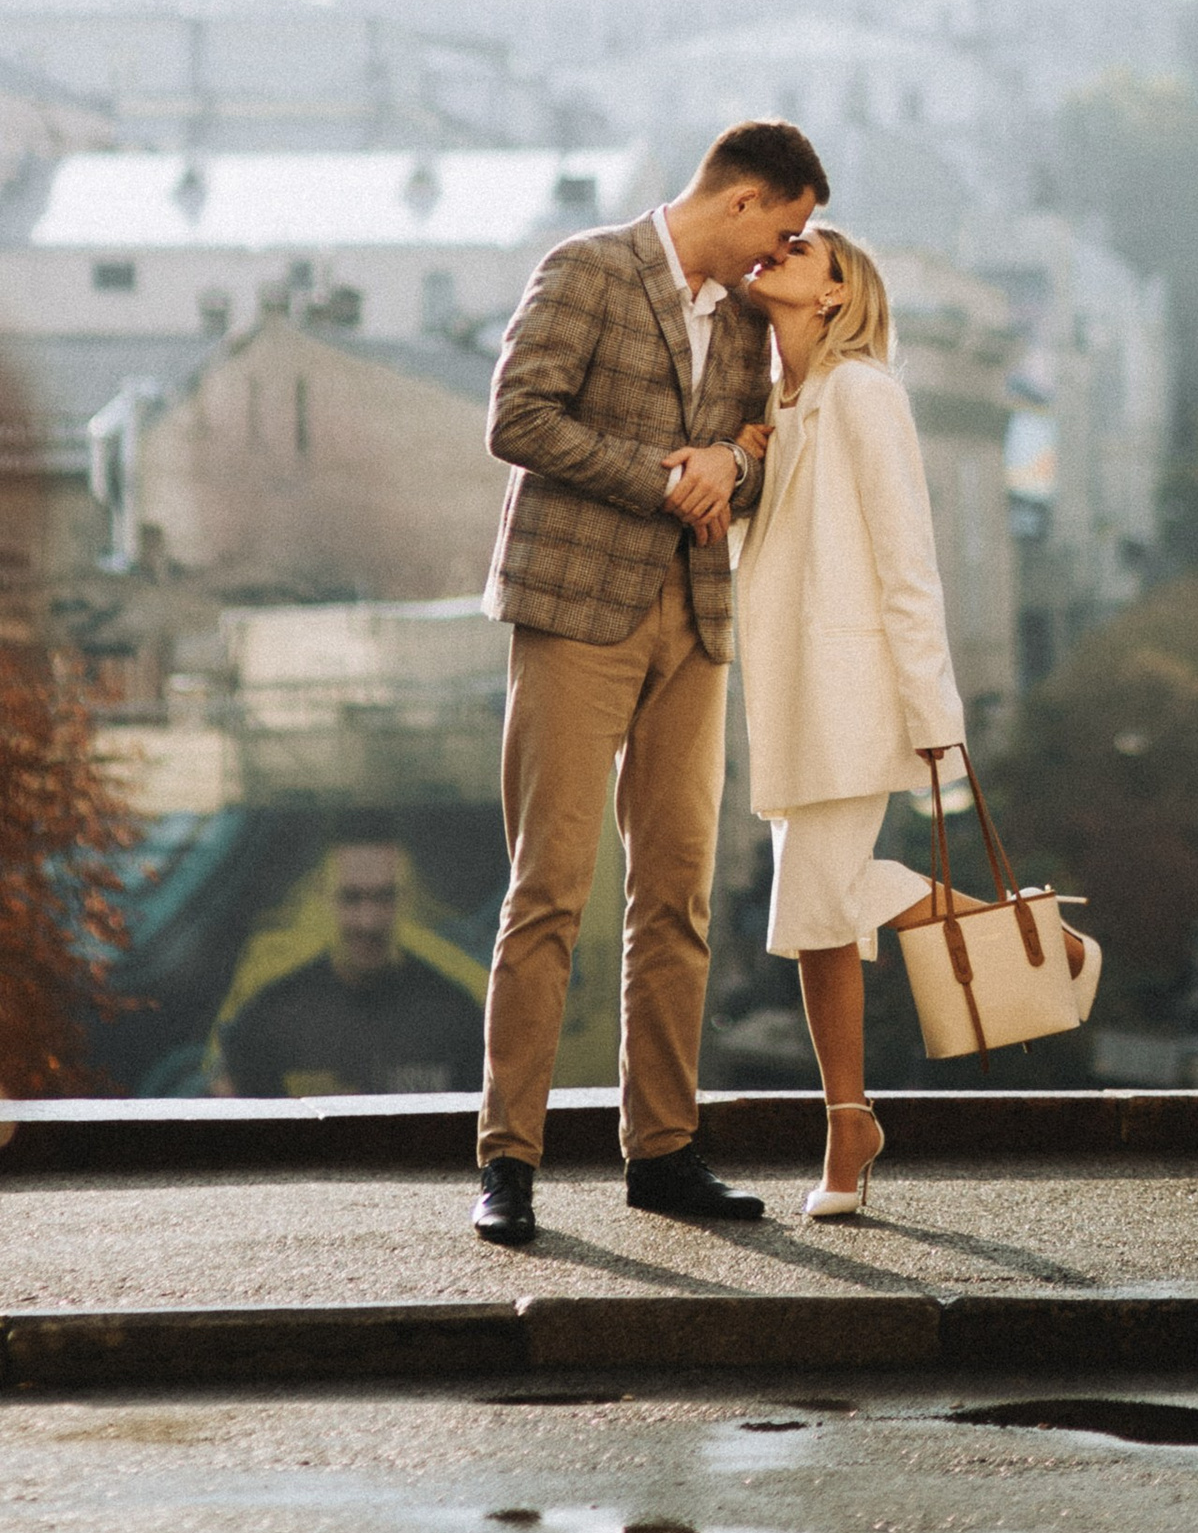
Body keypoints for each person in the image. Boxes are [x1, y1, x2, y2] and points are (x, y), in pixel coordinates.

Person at [470, 119, 831, 1247]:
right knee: (549, 890)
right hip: (577, 612)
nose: (783, 252)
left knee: (678, 893)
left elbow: (769, 453)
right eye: (783, 228)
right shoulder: (587, 268)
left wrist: (733, 462)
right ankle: (508, 1161)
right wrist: (663, 481)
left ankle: (664, 1152)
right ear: (740, 201)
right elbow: (517, 419)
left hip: (697, 621)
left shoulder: (750, 316)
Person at [732, 223, 966, 1223]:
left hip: (852, 689)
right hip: (788, 695)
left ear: (834, 293)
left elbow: (909, 563)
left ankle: (846, 1124)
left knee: (817, 904)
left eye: (801, 248)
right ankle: (851, 1115)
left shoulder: (865, 392)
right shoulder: (768, 404)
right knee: (813, 921)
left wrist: (932, 711)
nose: (776, 251)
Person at [214, 834, 484, 1098]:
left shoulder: (457, 1018)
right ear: (322, 896)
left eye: (384, 897)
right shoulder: (268, 1022)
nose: (368, 922)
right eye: (350, 898)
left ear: (407, 897)